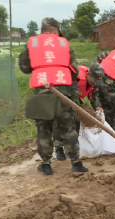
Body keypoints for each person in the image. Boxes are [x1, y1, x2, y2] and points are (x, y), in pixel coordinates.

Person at [20, 17, 88, 175]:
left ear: (42, 30)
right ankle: (76, 164)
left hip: (43, 92)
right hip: (63, 93)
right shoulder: (64, 44)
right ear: (56, 31)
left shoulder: (32, 43)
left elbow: (24, 67)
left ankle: (46, 164)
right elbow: (75, 71)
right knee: (68, 128)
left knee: (44, 129)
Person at [53, 63, 105, 160]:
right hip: (60, 94)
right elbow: (69, 94)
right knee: (61, 119)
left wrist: (97, 106)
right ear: (88, 75)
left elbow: (93, 95)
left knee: (77, 118)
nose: (94, 83)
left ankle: (73, 144)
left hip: (74, 96)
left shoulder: (93, 82)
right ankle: (59, 147)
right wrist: (75, 107)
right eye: (94, 80)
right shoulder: (75, 77)